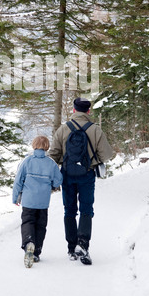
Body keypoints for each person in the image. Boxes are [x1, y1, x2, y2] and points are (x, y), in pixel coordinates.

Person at [49, 98, 113, 265]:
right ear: (88, 112)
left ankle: (71, 248)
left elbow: (53, 154)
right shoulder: (95, 129)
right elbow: (106, 154)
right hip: (87, 174)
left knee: (69, 211)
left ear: (73, 110)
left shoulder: (63, 129)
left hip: (67, 175)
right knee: (86, 209)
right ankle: (83, 244)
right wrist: (93, 159)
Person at [13, 135, 63, 268]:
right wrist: (52, 184)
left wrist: (15, 197)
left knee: (28, 221)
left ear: (33, 145)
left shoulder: (27, 161)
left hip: (29, 201)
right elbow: (58, 180)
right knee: (41, 225)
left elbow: (18, 181)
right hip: (43, 202)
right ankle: (36, 252)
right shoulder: (51, 163)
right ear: (47, 147)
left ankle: (29, 242)